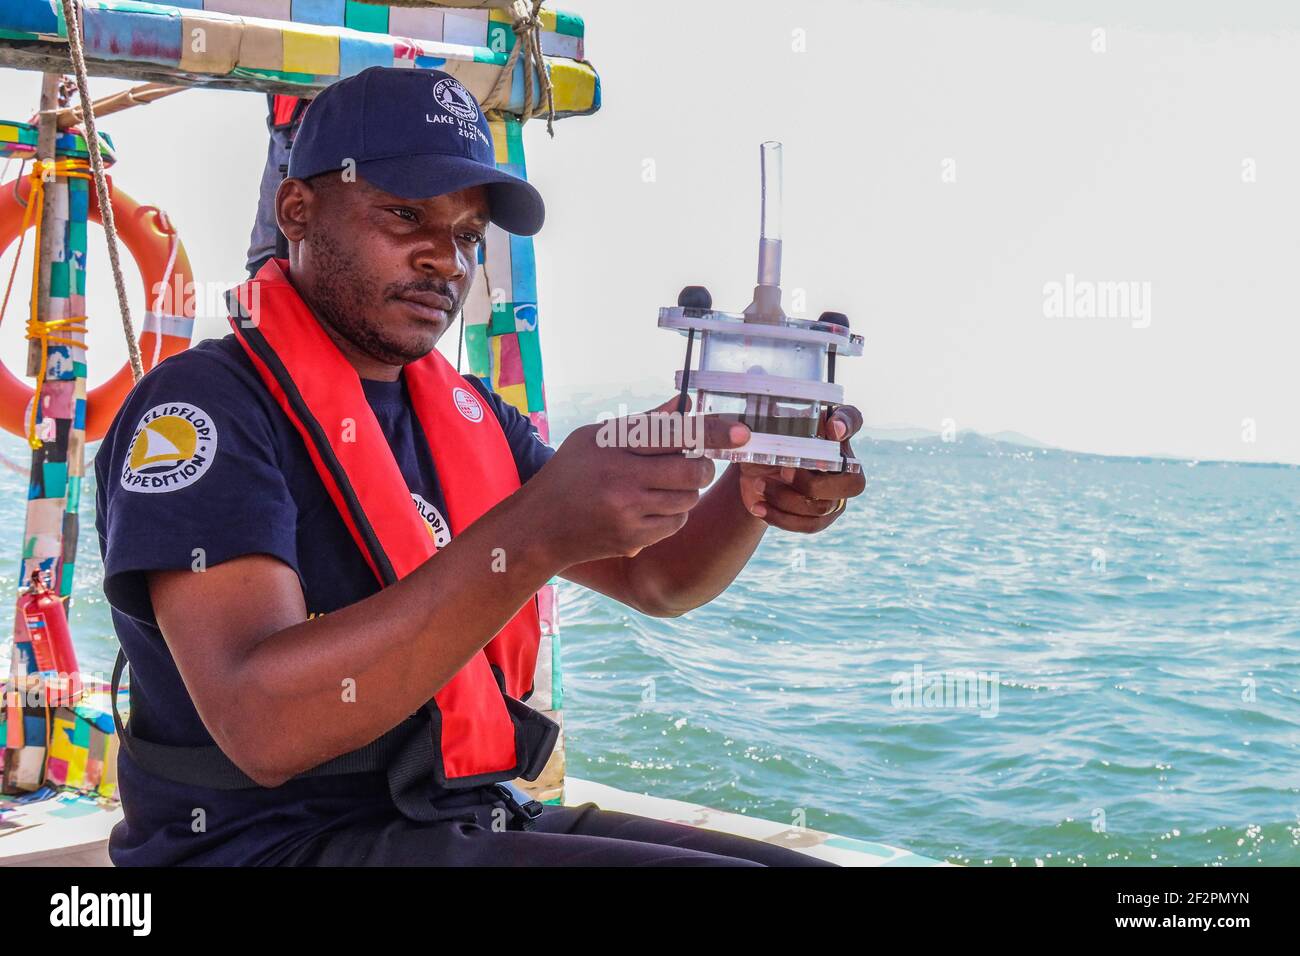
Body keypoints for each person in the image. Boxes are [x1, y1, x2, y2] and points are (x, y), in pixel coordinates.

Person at [95, 66, 866, 866]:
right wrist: (536, 534)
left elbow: (657, 579)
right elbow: (263, 723)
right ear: (297, 209)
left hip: (463, 813)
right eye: (405, 216)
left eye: (466, 236)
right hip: (265, 845)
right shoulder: (200, 410)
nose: (446, 261)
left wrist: (751, 486)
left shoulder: (468, 413)